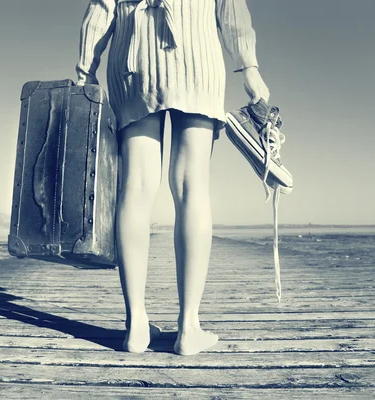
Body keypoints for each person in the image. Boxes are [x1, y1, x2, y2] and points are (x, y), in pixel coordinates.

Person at [76, 0, 269, 356]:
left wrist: (86, 69)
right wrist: (249, 66)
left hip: (133, 64)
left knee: (134, 189)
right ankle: (188, 327)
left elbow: (101, 9)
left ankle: (135, 325)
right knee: (192, 189)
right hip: (195, 57)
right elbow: (231, 10)